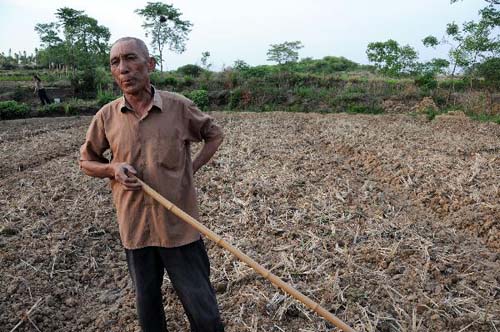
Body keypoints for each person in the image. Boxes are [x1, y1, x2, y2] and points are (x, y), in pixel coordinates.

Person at [79, 37, 224, 332]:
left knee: (205, 314)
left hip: (179, 228)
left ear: (150, 64)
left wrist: (191, 168)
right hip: (135, 230)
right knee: (149, 313)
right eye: (115, 62)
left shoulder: (178, 107)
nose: (123, 69)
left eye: (131, 59)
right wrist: (112, 168)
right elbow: (87, 161)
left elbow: (214, 134)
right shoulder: (106, 116)